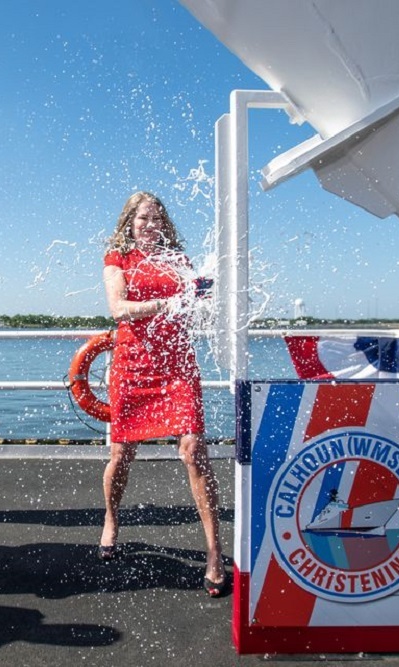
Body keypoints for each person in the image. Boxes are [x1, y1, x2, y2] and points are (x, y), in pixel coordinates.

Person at [100, 191, 227, 597]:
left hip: (177, 367)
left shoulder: (180, 262)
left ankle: (214, 553)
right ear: (129, 224)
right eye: (142, 219)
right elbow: (119, 309)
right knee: (122, 454)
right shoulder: (117, 260)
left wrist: (204, 296)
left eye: (156, 219)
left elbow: (197, 307)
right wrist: (170, 302)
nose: (150, 225)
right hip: (134, 366)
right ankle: (111, 520)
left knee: (194, 450)